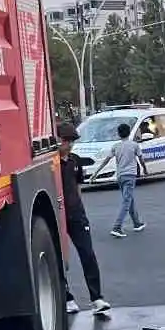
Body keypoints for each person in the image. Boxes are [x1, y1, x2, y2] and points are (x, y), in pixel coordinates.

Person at [56, 121, 110, 316]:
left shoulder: (75, 161)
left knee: (88, 254)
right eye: (65, 141)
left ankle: (97, 298)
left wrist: (81, 211)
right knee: (60, 259)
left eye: (71, 141)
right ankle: (67, 297)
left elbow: (78, 189)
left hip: (77, 215)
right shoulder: (51, 165)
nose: (69, 145)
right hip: (58, 215)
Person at [109, 121, 146, 237]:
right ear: (129, 133)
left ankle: (137, 223)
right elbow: (141, 159)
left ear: (119, 134)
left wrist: (95, 173)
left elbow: (106, 159)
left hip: (120, 176)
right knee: (127, 201)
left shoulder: (116, 146)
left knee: (129, 199)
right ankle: (117, 227)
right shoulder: (134, 145)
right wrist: (145, 169)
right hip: (130, 175)